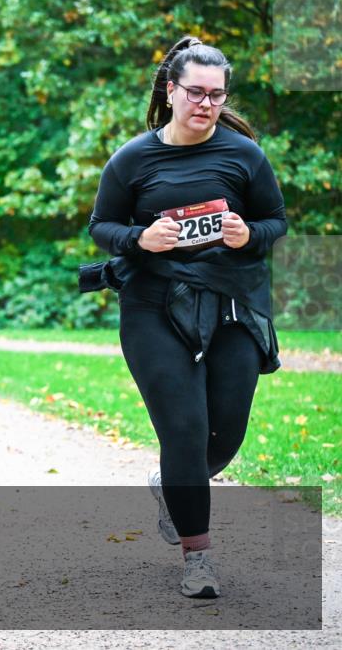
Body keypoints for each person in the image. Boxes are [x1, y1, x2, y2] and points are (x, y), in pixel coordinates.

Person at [86, 36, 287, 599]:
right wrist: (140, 238)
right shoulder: (133, 158)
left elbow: (275, 220)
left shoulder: (244, 155)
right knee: (184, 429)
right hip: (153, 305)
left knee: (226, 434)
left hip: (230, 302)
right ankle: (198, 559)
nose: (206, 104)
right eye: (196, 92)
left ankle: (170, 483)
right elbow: (102, 226)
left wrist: (249, 234)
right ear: (171, 91)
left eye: (216, 95)